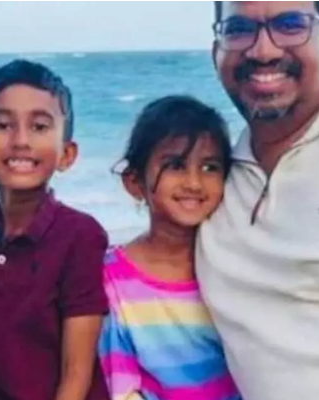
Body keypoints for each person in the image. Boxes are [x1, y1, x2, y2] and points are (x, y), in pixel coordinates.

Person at [197, 2, 319, 399]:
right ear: (216, 52)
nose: (263, 50)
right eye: (238, 29)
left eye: (290, 24)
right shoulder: (210, 183)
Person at [0, 59, 110, 400]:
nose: (21, 140)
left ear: (67, 154)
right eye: (3, 124)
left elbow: (76, 371)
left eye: (39, 126)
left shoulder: (81, 235)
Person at [98, 96, 239, 400]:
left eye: (210, 167)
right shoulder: (112, 279)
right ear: (134, 181)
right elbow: (122, 386)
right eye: (175, 165)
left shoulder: (236, 265)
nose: (194, 183)